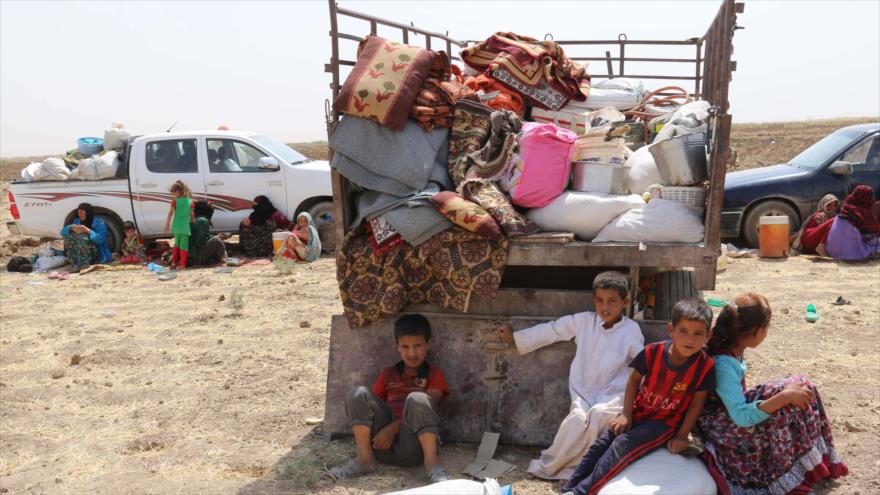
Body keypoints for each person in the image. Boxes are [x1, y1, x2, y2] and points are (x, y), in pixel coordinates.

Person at [496, 271, 644, 480]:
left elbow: (643, 363)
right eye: (600, 301)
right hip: (584, 391)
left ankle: (590, 467)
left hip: (614, 392)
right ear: (593, 301)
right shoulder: (583, 321)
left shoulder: (631, 330)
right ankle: (559, 466)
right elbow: (553, 330)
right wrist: (516, 338)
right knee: (577, 419)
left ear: (625, 302)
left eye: (612, 301)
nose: (605, 307)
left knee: (600, 415)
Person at [697, 293, 848, 495]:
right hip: (722, 429)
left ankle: (813, 465)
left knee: (802, 386)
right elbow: (741, 417)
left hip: (730, 413)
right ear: (758, 331)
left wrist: (785, 394)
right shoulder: (723, 363)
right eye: (767, 328)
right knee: (787, 405)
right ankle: (781, 477)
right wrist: (783, 397)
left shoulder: (733, 348)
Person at [562, 298, 715, 495]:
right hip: (638, 413)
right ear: (671, 330)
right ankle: (568, 488)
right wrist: (626, 414)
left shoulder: (705, 366)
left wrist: (682, 435)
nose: (689, 339)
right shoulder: (653, 352)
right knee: (601, 444)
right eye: (683, 331)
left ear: (707, 336)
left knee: (621, 446)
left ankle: (581, 492)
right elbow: (634, 381)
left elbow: (696, 404)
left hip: (664, 424)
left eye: (698, 334)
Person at [329, 314, 451, 483]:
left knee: (418, 399)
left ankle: (433, 466)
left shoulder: (434, 374)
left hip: (414, 448)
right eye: (405, 346)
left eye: (418, 346)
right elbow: (370, 410)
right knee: (358, 394)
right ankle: (366, 460)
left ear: (428, 344)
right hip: (383, 446)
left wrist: (393, 429)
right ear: (397, 347)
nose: (412, 352)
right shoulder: (388, 374)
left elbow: (430, 405)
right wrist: (385, 430)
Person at [824, 184, 880, 261]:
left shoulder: (844, 208)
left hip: (834, 249)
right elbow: (871, 234)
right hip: (855, 251)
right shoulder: (863, 213)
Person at [61, 202, 112, 270]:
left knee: (82, 237)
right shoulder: (77, 221)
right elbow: (62, 232)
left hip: (96, 251)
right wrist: (70, 227)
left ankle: (85, 263)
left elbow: (101, 240)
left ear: (88, 212)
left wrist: (87, 230)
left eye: (81, 212)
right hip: (80, 251)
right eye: (78, 212)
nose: (80, 214)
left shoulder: (99, 222)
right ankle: (76, 261)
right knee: (68, 237)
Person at [163, 180, 195, 269]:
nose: (173, 195)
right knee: (184, 246)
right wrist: (192, 220)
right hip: (185, 227)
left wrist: (167, 224)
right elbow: (192, 214)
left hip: (176, 227)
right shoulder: (190, 201)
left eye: (173, 193)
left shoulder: (175, 201)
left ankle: (174, 262)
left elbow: (170, 213)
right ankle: (182, 264)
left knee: (176, 244)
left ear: (177, 191)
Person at [188, 201, 228, 267]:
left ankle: (221, 260)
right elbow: (200, 242)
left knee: (216, 238)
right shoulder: (202, 220)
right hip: (195, 257)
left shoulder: (194, 219)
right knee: (217, 241)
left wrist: (213, 237)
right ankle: (224, 260)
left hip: (189, 256)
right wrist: (217, 237)